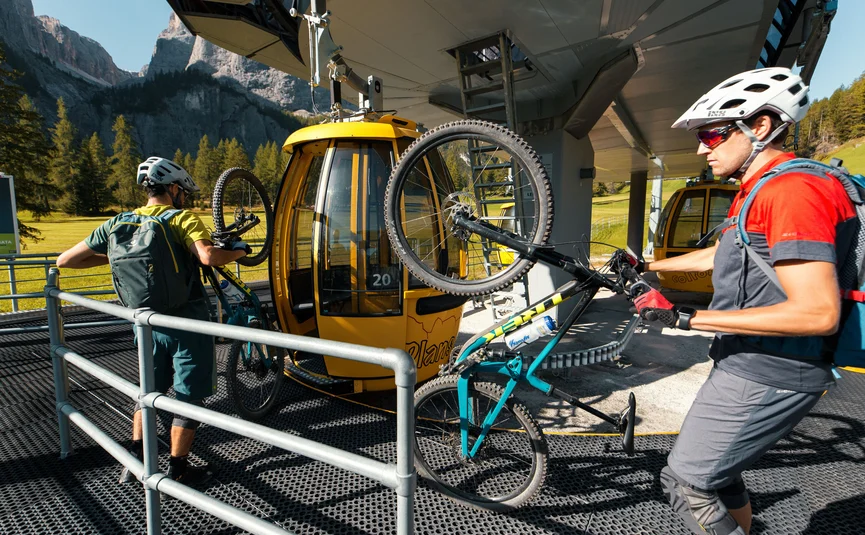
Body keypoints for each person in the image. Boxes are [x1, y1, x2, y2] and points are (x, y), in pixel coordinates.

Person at [631, 67, 856, 535]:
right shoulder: (755, 190)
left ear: (760, 125)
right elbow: (726, 252)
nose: (701, 148)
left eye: (712, 134)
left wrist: (687, 316)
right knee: (721, 472)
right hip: (744, 359)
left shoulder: (794, 191)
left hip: (772, 369)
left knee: (686, 482)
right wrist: (649, 268)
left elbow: (817, 311)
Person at [57, 156, 250, 487]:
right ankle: (179, 469)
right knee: (188, 396)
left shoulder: (117, 222)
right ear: (174, 190)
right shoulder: (180, 218)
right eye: (184, 193)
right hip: (188, 322)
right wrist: (240, 252)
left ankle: (137, 463)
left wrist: (115, 256)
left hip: (145, 323)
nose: (185, 198)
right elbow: (208, 257)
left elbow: (66, 260)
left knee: (148, 390)